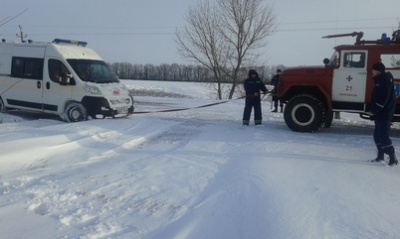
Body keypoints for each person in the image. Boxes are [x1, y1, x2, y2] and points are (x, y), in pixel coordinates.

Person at [369, 62, 398, 166]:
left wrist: (374, 109)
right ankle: (380, 155)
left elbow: (383, 99)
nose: (372, 72)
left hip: (384, 114)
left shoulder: (384, 81)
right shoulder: (380, 80)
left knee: (383, 136)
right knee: (377, 135)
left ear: (378, 71)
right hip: (380, 113)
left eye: (373, 70)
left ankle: (392, 157)